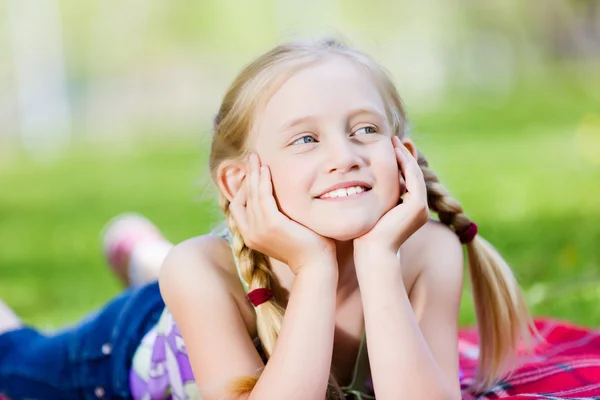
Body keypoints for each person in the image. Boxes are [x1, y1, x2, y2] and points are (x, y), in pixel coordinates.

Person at [0, 38, 536, 400]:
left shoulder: (428, 252)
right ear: (239, 183)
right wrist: (315, 270)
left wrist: (377, 261)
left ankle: (141, 252)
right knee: (17, 360)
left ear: (403, 154)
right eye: (306, 138)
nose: (345, 154)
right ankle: (146, 263)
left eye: (365, 130)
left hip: (212, 287)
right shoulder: (200, 271)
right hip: (122, 347)